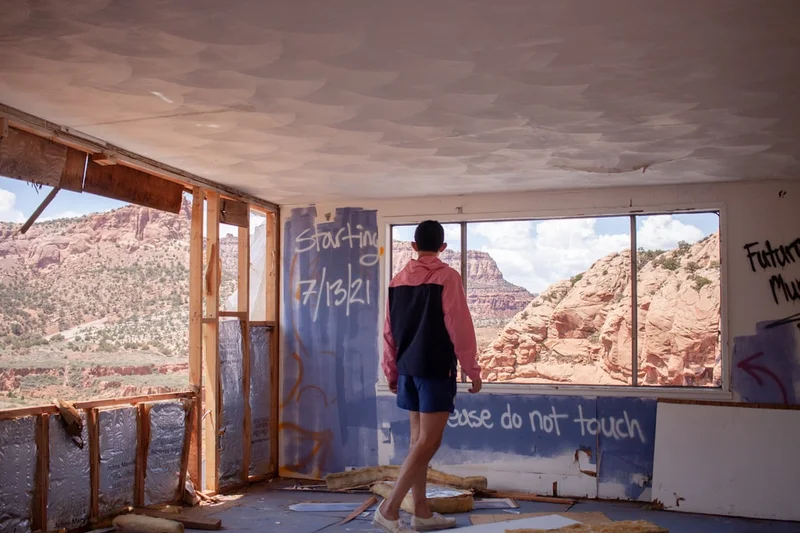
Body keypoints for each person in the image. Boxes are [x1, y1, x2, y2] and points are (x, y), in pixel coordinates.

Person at [374, 220, 482, 533]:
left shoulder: (397, 281)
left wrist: (392, 372)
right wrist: (472, 370)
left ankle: (421, 512)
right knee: (428, 443)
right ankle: (390, 508)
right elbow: (459, 328)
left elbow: (389, 332)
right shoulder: (448, 277)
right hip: (434, 370)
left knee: (417, 442)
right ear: (443, 247)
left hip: (408, 370)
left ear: (413, 246)